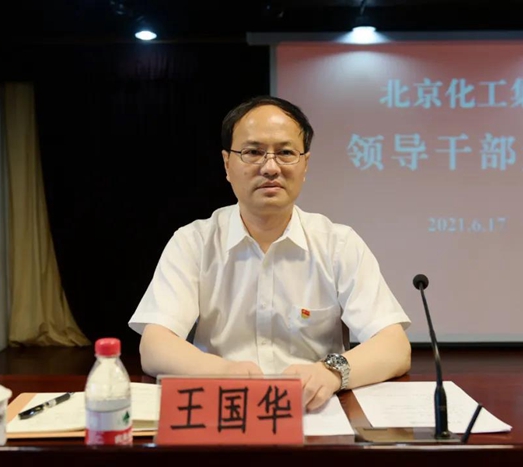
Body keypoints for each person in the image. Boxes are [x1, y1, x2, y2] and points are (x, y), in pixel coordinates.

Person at [128, 95, 411, 411]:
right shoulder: (193, 242)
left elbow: (395, 346)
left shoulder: (339, 244)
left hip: (313, 411)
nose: (271, 167)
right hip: (224, 408)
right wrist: (224, 371)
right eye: (253, 152)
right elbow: (154, 346)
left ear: (305, 165)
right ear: (227, 164)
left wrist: (331, 372)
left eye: (286, 153)